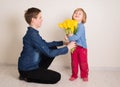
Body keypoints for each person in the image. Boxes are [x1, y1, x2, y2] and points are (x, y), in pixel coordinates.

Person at [18, 7, 76, 84]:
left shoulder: (33, 33)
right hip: (27, 70)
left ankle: (38, 73)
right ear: (33, 20)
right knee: (56, 77)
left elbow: (45, 44)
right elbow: (49, 53)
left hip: (33, 65)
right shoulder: (32, 35)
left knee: (53, 47)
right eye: (40, 17)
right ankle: (27, 77)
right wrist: (67, 48)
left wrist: (62, 43)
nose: (42, 19)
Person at [66, 8, 89, 81]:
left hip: (82, 47)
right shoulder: (71, 25)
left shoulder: (81, 26)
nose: (77, 14)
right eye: (75, 13)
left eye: (79, 14)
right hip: (73, 46)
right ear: (73, 15)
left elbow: (76, 36)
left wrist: (69, 37)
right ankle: (74, 75)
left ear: (83, 18)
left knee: (83, 62)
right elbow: (69, 33)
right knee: (74, 62)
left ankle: (84, 75)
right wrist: (66, 36)